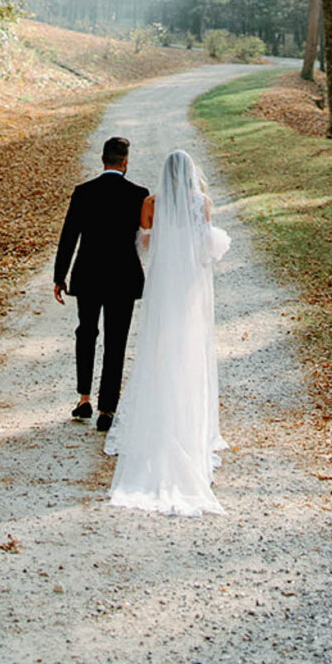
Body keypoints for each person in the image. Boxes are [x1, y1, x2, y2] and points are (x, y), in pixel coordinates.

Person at [104, 148, 230, 516]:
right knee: (188, 350)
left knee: (158, 351)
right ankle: (190, 427)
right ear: (191, 172)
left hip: (162, 287)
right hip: (189, 287)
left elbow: (145, 246)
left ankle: (157, 420)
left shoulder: (150, 203)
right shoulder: (201, 201)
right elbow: (206, 247)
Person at [52, 134, 149, 431]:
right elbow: (145, 237)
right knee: (115, 342)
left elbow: (69, 236)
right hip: (123, 276)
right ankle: (107, 410)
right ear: (125, 162)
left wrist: (60, 276)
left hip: (89, 275)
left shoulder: (83, 192)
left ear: (102, 159)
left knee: (86, 333)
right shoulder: (138, 194)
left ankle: (83, 398)